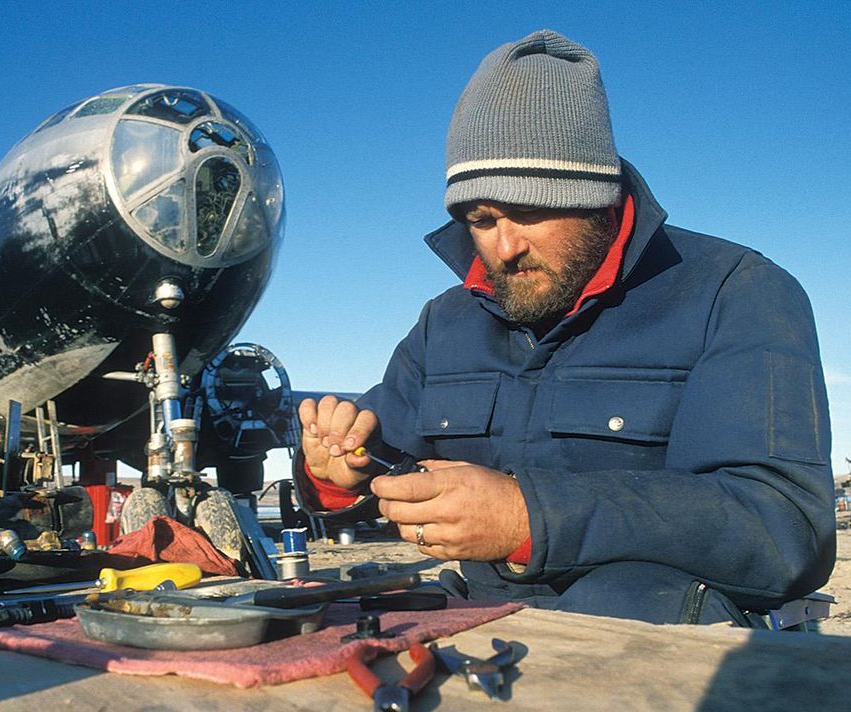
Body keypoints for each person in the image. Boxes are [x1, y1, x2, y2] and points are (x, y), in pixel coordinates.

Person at [294, 30, 836, 625]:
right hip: (476, 632)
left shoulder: (737, 292)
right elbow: (378, 464)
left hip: (658, 666)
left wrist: (530, 517)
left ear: (598, 200)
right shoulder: (444, 322)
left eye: (529, 212)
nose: (503, 247)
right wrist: (337, 473)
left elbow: (785, 531)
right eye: (480, 218)